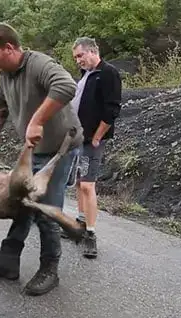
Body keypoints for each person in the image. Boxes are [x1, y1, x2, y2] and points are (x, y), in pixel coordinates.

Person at [0, 22, 84, 296]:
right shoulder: (6, 73)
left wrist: (37, 120)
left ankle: (50, 269)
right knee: (19, 202)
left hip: (60, 149)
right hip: (33, 151)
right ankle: (8, 259)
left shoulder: (40, 64)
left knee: (45, 209)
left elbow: (66, 85)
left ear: (9, 48)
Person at [61, 37, 122, 259]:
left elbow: (112, 109)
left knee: (87, 185)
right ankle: (79, 223)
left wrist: (97, 137)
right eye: (76, 57)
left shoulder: (108, 73)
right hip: (79, 139)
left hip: (91, 141)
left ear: (93, 51)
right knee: (79, 182)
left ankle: (90, 234)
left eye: (80, 55)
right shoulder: (86, 74)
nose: (78, 60)